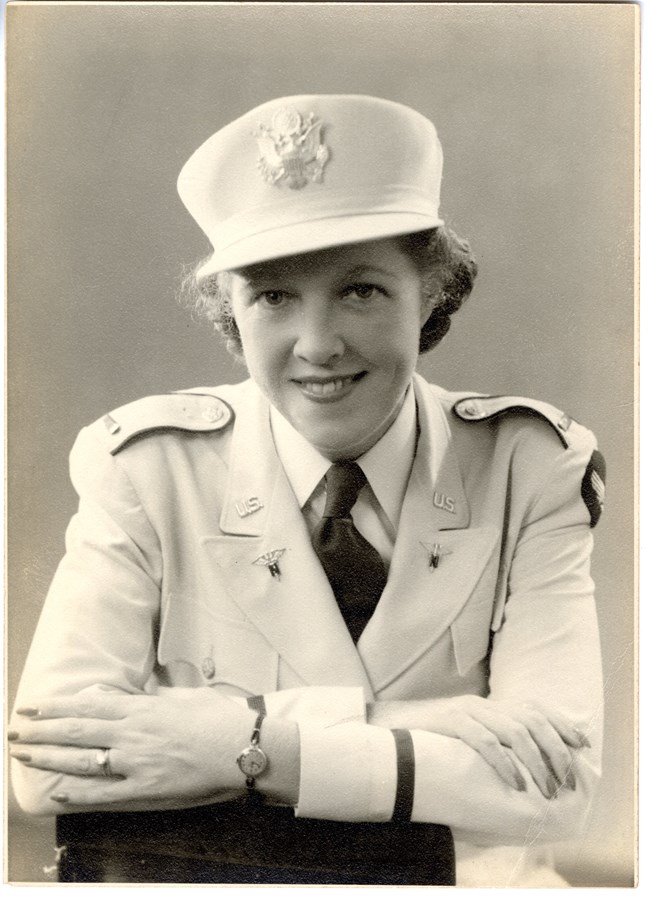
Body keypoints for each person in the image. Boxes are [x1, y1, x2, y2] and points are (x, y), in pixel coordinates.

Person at [10, 94, 605, 887]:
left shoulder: (531, 464)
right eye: (273, 295)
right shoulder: (148, 467)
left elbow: (557, 788)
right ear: (232, 309)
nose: (319, 345)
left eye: (361, 290)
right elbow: (50, 766)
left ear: (430, 293)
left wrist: (241, 744)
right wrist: (407, 731)